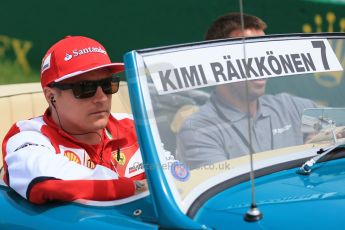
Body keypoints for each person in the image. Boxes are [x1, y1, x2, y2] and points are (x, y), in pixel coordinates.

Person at [2, 36, 146, 204]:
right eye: (85, 88)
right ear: (51, 97)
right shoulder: (28, 136)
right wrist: (138, 187)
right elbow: (45, 182)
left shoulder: (134, 127)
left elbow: (180, 176)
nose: (101, 98)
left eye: (108, 84)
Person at [176, 13, 317, 169]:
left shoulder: (291, 107)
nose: (262, 64)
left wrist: (326, 140)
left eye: (266, 53)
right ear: (216, 63)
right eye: (248, 55)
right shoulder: (198, 130)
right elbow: (227, 190)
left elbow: (337, 129)